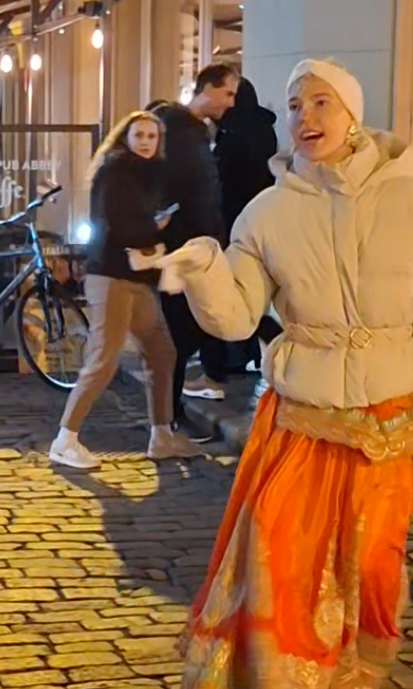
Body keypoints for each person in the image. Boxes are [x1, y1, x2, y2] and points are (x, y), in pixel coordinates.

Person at [156, 59, 413, 689]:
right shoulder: (267, 212)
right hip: (300, 411)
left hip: (391, 412)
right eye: (295, 103)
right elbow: (238, 319)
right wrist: (205, 272)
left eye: (321, 102)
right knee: (284, 550)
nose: (305, 117)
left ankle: (360, 668)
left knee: (370, 557)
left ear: (351, 113)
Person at [49, 111, 204, 470]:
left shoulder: (149, 175)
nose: (147, 141)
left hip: (137, 277)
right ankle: (65, 438)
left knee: (162, 351)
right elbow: (116, 224)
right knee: (104, 359)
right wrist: (155, 225)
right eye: (140, 135)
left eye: (152, 136)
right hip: (113, 275)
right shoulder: (115, 172)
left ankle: (162, 434)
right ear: (126, 138)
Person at [153, 64, 238, 420]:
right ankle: (168, 415)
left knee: (185, 331)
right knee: (179, 333)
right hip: (184, 248)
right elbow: (189, 191)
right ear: (206, 88)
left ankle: (169, 413)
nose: (231, 103)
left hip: (192, 246)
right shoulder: (181, 131)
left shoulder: (192, 131)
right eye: (228, 93)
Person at [213, 77, 281, 369]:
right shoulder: (265, 130)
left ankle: (238, 354)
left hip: (234, 219)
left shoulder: (234, 133)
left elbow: (225, 178)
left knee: (235, 289)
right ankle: (252, 349)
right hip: (263, 218)